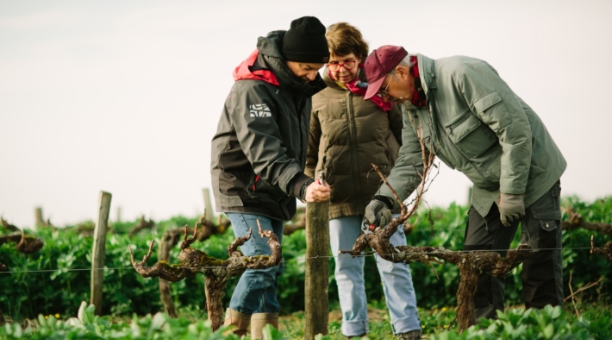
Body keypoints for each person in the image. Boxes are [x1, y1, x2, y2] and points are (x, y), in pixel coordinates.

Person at [361, 45, 566, 320]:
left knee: (539, 271)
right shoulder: (412, 108)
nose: (386, 98)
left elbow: (515, 130)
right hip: (487, 187)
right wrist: (383, 198)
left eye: (384, 89)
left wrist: (513, 192)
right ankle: (485, 335)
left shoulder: (462, 73)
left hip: (534, 172)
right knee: (476, 264)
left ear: (400, 71)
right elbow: (412, 159)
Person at [210, 16, 331, 339]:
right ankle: (225, 335)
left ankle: (265, 336)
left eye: (316, 68)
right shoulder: (253, 88)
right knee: (262, 265)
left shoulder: (296, 85)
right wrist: (301, 186)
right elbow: (264, 151)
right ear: (287, 58)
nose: (312, 75)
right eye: (306, 67)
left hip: (272, 187)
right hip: (244, 188)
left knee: (270, 270)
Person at [306, 24, 421, 340]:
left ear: (360, 56)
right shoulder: (316, 97)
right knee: (346, 269)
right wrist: (311, 184)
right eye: (332, 62)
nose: (340, 69)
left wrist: (399, 189)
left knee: (393, 261)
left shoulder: (382, 88)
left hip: (382, 196)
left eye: (346, 61)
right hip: (338, 197)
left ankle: (408, 329)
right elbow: (308, 153)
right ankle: (354, 331)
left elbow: (406, 140)